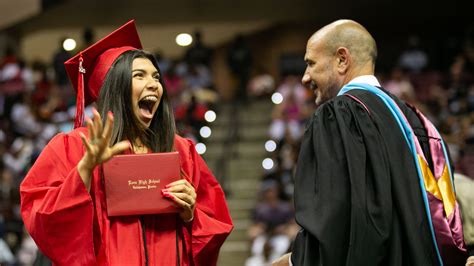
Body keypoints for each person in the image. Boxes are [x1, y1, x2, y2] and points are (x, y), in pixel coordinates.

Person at [20, 20, 233, 265]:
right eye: (139, 76)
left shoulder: (182, 150)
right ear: (115, 87)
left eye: (155, 76)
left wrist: (191, 215)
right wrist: (84, 170)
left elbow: (214, 227)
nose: (154, 84)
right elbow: (44, 220)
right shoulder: (71, 147)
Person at [272, 19, 468, 266]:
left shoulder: (338, 116)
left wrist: (295, 262)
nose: (305, 77)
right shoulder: (418, 121)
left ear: (342, 59)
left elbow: (335, 223)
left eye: (311, 63)